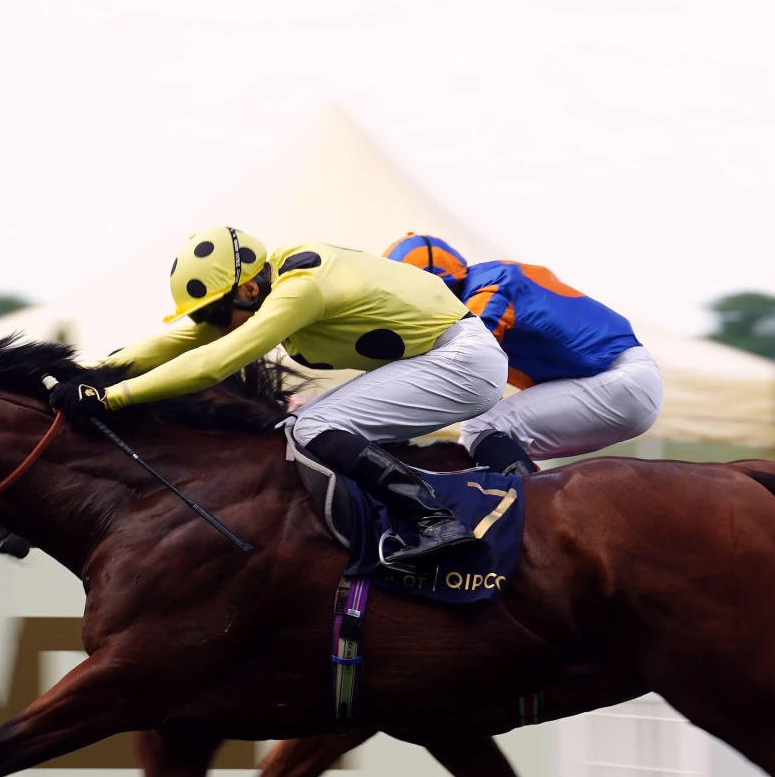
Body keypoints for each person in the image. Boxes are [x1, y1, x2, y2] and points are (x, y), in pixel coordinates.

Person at [49, 226, 508, 564]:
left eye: (215, 311)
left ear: (248, 288)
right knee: (299, 427)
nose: (210, 323)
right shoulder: (265, 281)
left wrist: (113, 398)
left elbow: (214, 361)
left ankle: (436, 520)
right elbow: (179, 341)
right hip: (438, 357)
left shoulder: (300, 289)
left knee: (313, 426)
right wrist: (87, 373)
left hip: (463, 362)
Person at [383, 234, 663, 474]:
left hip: (621, 382)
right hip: (616, 382)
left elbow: (459, 359)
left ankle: (530, 521)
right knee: (487, 448)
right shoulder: (485, 281)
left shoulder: (489, 287)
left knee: (481, 429)